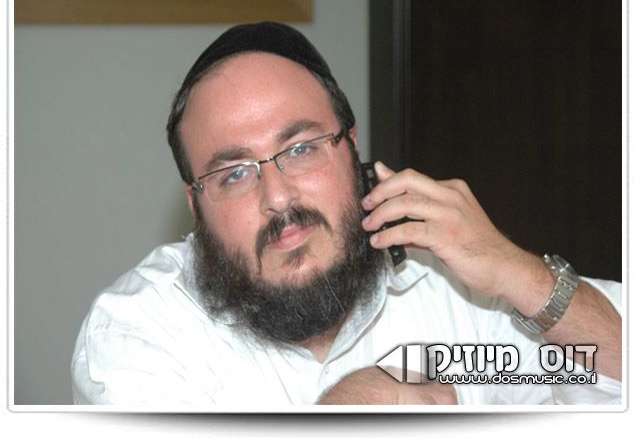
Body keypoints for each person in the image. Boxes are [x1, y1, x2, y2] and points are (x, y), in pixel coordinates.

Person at [71, 22, 621, 406]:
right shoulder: (140, 332)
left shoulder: (455, 286)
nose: (278, 197)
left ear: (351, 149)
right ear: (196, 206)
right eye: (234, 173)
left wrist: (521, 276)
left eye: (301, 148)